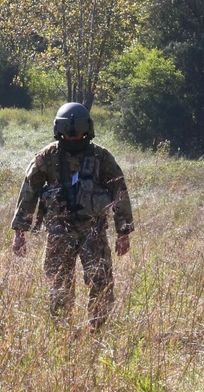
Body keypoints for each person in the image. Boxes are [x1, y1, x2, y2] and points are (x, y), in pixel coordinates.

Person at [11, 102, 134, 330]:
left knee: (101, 283)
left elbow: (119, 190)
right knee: (59, 285)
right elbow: (29, 191)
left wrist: (123, 231)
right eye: (69, 135)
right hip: (59, 233)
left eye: (78, 135)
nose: (74, 139)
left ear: (87, 130)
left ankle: (97, 332)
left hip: (93, 231)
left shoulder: (101, 157)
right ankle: (63, 333)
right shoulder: (47, 157)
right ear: (60, 131)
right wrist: (20, 232)